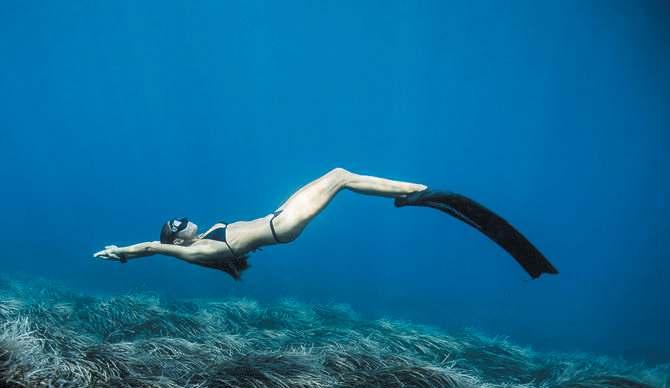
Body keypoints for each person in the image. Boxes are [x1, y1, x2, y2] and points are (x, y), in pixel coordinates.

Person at [93, 167, 558, 279]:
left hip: (280, 220)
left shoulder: (202, 245)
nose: (186, 220)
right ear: (178, 236)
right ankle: (414, 194)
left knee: (338, 174)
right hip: (282, 227)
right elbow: (151, 248)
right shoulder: (191, 251)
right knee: (339, 176)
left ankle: (411, 195)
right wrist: (122, 251)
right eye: (179, 223)